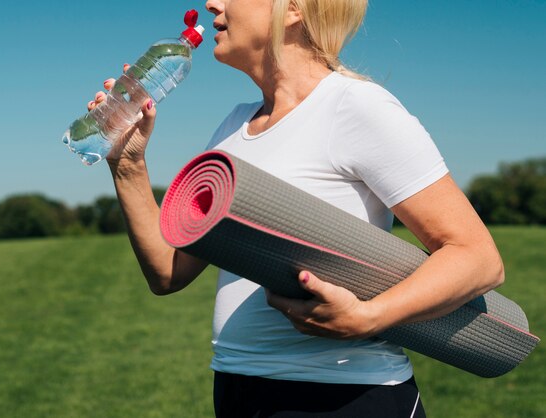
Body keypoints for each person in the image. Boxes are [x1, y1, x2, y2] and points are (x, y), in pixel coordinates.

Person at [89, 0, 505, 416]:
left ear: (291, 9)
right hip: (238, 389)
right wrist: (127, 166)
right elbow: (168, 272)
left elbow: (478, 259)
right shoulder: (233, 126)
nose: (212, 2)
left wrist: (369, 317)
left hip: (343, 395)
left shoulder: (355, 106)